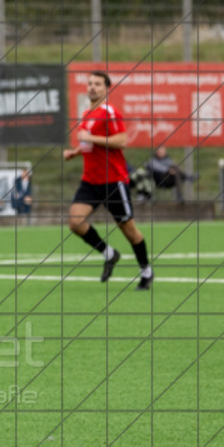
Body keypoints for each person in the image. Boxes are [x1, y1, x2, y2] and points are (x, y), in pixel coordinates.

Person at [63, 71, 152, 290]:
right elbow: (90, 145)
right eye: (90, 83)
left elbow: (122, 140)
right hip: (90, 181)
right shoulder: (87, 113)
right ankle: (109, 253)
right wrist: (75, 152)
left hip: (113, 182)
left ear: (107, 88)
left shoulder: (109, 112)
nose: (92, 87)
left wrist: (89, 138)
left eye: (97, 84)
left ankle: (146, 271)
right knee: (75, 222)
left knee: (130, 232)